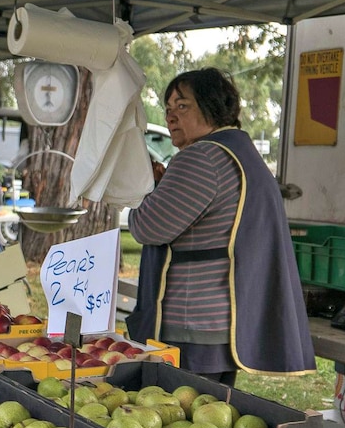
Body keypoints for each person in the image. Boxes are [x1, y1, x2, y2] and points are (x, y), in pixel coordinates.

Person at [126, 67, 315, 385]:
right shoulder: (241, 153)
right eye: (168, 108)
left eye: (182, 106)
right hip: (222, 322)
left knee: (181, 421)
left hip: (192, 322)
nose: (171, 117)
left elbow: (147, 227)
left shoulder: (201, 158)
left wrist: (142, 190)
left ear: (212, 107)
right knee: (208, 418)